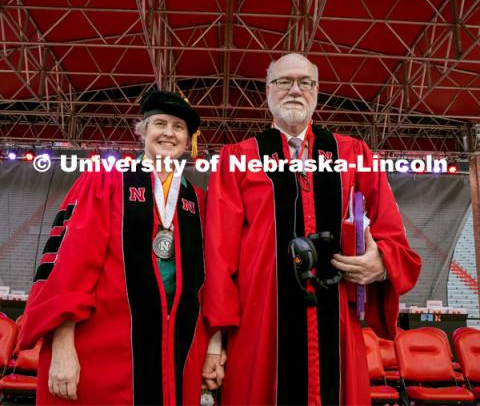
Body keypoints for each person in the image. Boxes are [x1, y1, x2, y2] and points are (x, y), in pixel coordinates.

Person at [202, 53, 422, 405]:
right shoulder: (237, 158)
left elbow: (392, 234)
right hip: (262, 325)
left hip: (333, 320)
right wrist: (216, 340)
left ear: (317, 91)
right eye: (284, 82)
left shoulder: (353, 154)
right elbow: (217, 253)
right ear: (268, 92)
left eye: (305, 82)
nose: (295, 90)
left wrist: (381, 263)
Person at [18, 90, 219, 405]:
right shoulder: (105, 183)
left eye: (179, 127)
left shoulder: (197, 201)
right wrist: (63, 345)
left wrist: (214, 346)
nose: (169, 133)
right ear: (142, 131)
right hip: (105, 351)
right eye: (160, 124)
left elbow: (209, 286)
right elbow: (68, 268)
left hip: (176, 356)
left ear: (189, 140)